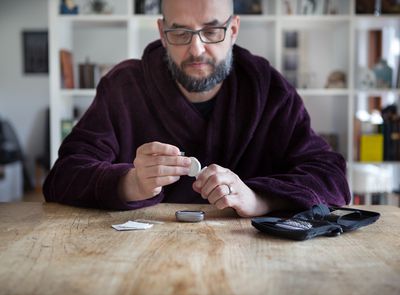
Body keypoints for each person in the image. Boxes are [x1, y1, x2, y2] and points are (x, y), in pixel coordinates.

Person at [43, 0, 351, 217]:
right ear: (162, 33)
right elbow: (63, 176)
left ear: (233, 30)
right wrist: (129, 183)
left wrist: (258, 198)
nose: (197, 49)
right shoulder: (123, 87)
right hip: (138, 262)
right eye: (181, 33)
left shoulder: (268, 88)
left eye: (212, 30)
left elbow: (332, 177)